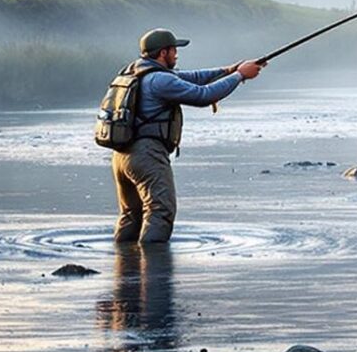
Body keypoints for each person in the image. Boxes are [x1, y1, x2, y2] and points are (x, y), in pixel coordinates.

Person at [106, 28, 262, 244]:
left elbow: (195, 78)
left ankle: (125, 268)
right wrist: (240, 76)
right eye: (174, 50)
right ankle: (154, 271)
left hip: (122, 156)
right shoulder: (160, 80)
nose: (177, 54)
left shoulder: (136, 72)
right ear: (163, 53)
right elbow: (203, 95)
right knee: (160, 212)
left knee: (132, 215)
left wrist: (230, 70)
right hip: (147, 155)